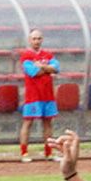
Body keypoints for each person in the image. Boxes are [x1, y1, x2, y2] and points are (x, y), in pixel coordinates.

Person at [19, 28, 60, 162]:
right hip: (33, 96)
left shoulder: (48, 54)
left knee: (48, 123)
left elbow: (56, 68)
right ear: (29, 40)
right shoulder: (26, 56)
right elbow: (33, 72)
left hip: (47, 95)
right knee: (28, 122)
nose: (36, 41)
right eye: (34, 39)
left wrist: (41, 66)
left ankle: (48, 153)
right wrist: (46, 68)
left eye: (39, 38)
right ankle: (24, 153)